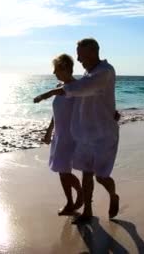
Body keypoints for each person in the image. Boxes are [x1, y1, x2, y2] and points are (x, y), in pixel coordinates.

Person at [34, 38, 119, 223]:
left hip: (103, 133)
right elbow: (81, 96)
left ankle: (113, 196)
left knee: (102, 177)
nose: (78, 59)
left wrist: (49, 93)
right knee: (86, 174)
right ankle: (87, 211)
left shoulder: (105, 72)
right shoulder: (88, 75)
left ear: (91, 52)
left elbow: (81, 89)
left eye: (80, 54)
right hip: (85, 134)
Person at [42, 54, 83, 215]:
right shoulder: (60, 86)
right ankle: (71, 202)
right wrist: (49, 131)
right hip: (59, 134)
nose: (54, 72)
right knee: (62, 170)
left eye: (56, 69)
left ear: (66, 68)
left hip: (71, 135)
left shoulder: (77, 87)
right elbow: (56, 113)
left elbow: (88, 108)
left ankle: (78, 195)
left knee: (64, 170)